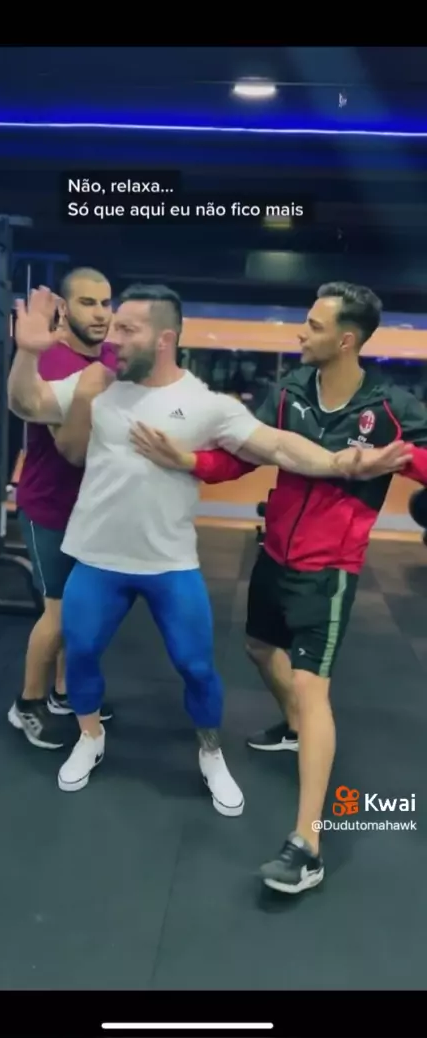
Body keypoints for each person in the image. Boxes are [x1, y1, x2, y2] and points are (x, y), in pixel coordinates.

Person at [7, 282, 410, 817]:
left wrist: (340, 463)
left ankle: (211, 752)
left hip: (170, 566)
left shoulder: (205, 404)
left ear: (164, 339)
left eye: (127, 328)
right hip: (97, 560)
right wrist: (27, 353)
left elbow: (276, 444)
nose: (112, 336)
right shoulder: (94, 383)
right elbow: (27, 402)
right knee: (80, 653)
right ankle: (89, 736)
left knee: (197, 667)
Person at [130, 281, 427, 892]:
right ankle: (296, 729)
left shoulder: (389, 407)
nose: (301, 332)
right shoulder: (290, 392)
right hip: (274, 554)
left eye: (314, 325)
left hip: (329, 569)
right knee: (260, 649)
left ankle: (306, 846)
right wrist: (188, 460)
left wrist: (397, 457)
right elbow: (243, 455)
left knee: (314, 689)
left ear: (345, 340)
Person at [10, 268, 116, 750]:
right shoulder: (54, 359)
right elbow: (70, 445)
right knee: (59, 613)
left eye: (106, 302)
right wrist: (28, 352)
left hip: (91, 509)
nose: (100, 313)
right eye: (88, 303)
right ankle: (26, 704)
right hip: (49, 507)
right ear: (65, 309)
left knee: (82, 610)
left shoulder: (110, 358)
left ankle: (64, 691)